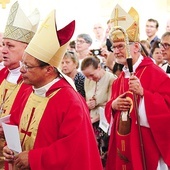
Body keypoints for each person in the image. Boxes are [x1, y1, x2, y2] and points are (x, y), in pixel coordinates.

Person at [2, 10, 103, 170]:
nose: (21, 70)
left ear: (48, 69)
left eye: (27, 66)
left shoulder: (70, 101)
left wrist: (34, 158)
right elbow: (15, 124)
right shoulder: (29, 90)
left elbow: (73, 150)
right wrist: (10, 147)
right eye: (22, 63)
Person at [105, 4, 170, 170]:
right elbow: (111, 105)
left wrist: (143, 94)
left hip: (146, 143)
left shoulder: (154, 72)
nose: (116, 51)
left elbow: (167, 106)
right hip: (123, 142)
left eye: (120, 46)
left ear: (135, 47)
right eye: (114, 47)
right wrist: (113, 106)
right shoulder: (120, 78)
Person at [0, 2, 39, 170]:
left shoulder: (33, 83)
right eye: (3, 44)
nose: (3, 50)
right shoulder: (1, 74)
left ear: (26, 49)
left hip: (14, 154)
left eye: (10, 46)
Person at [81, 56, 116, 168]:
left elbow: (111, 104)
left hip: (104, 122)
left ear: (99, 67)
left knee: (104, 154)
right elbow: (87, 99)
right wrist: (88, 104)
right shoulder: (87, 80)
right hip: (90, 119)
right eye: (87, 76)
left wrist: (95, 118)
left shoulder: (111, 79)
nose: (90, 78)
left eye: (92, 75)